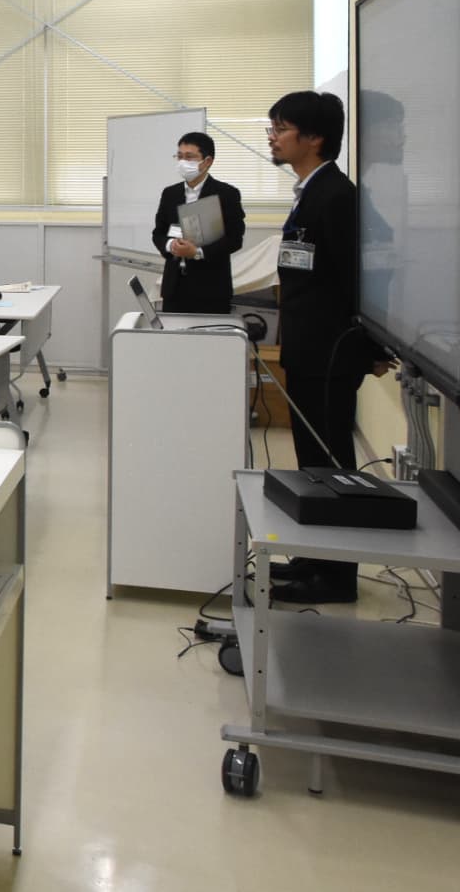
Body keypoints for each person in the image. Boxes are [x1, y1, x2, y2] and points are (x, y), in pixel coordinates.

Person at [265, 91, 393, 605]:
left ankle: (336, 577)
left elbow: (360, 279)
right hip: (309, 347)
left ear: (314, 138)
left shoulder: (337, 196)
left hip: (330, 352)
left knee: (331, 464)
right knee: (312, 462)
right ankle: (313, 558)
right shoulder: (311, 191)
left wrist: (372, 347)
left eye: (281, 128)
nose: (272, 138)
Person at [150, 131, 247, 314]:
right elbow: (158, 233)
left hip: (211, 289)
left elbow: (235, 239)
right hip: (174, 288)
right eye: (179, 156)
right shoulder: (170, 194)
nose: (182, 162)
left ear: (207, 161)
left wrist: (197, 252)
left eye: (189, 157)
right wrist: (171, 245)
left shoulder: (227, 194)